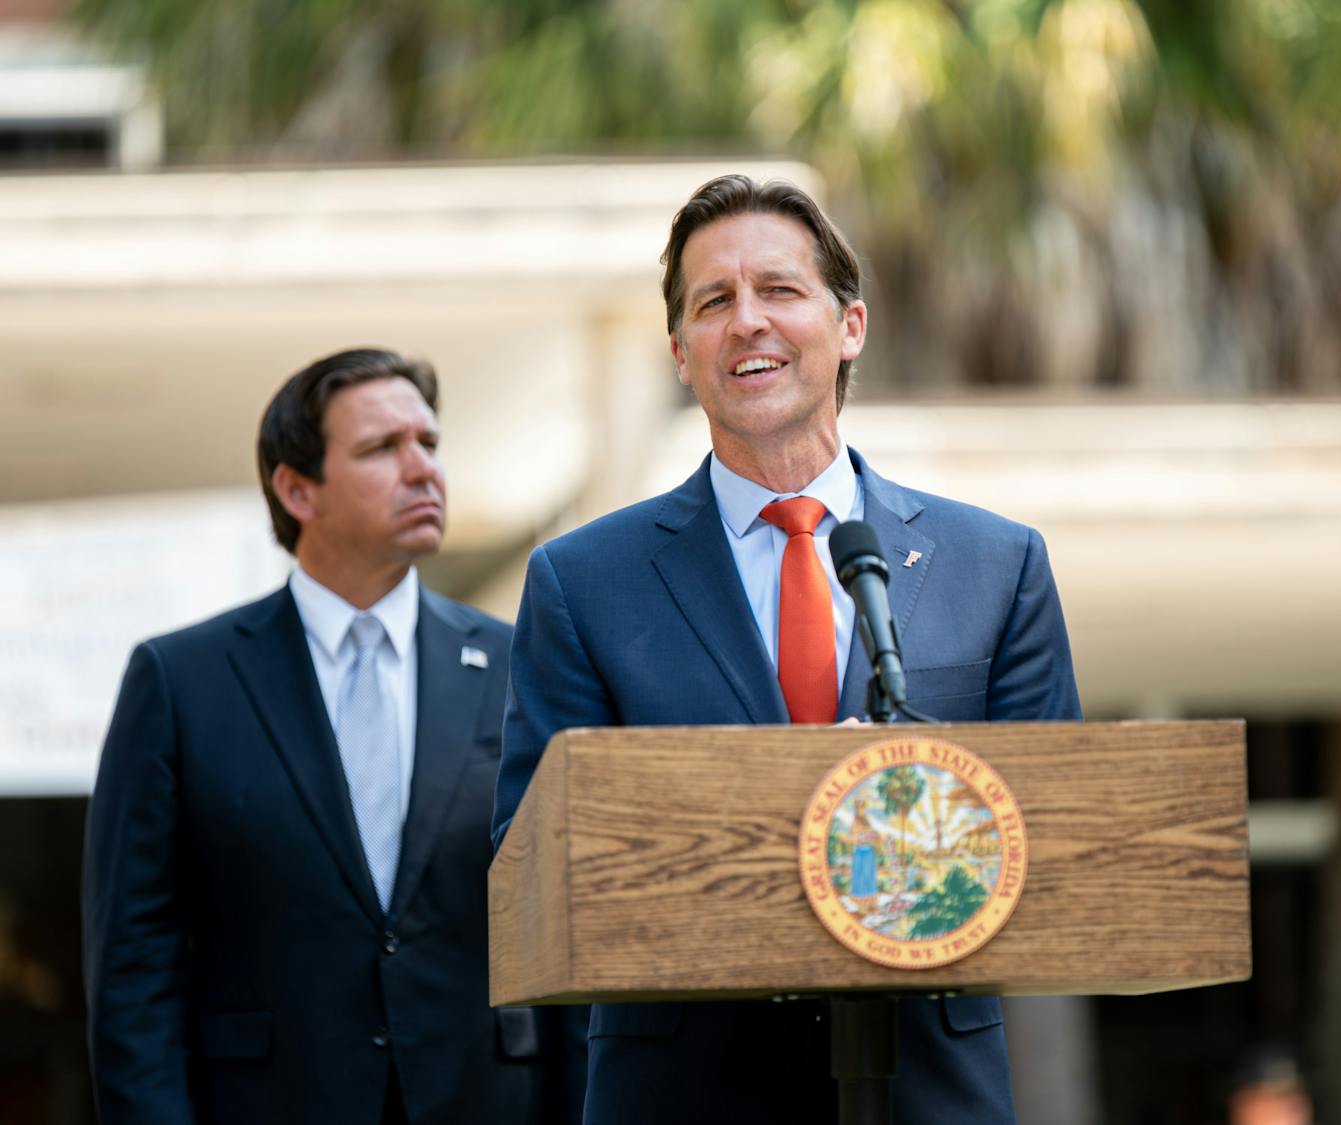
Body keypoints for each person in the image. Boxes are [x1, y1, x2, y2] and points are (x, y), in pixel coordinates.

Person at [492, 175, 1081, 1124]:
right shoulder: (583, 581)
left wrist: (892, 809)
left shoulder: (996, 565)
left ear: (849, 325)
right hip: (685, 1095)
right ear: (681, 353)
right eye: (714, 302)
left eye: (779, 290)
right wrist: (781, 813)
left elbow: (1057, 841)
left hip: (929, 1091)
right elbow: (531, 862)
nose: (748, 321)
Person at [83, 349, 581, 1124]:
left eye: (429, 442)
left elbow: (570, 920)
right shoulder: (180, 681)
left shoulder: (521, 663)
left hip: (487, 1098)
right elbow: (132, 969)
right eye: (383, 448)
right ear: (296, 488)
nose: (423, 469)